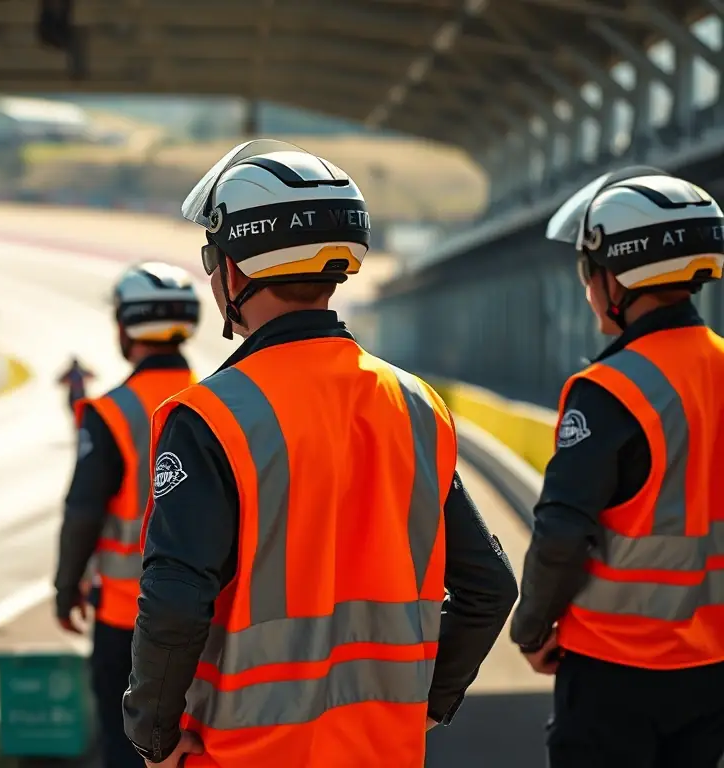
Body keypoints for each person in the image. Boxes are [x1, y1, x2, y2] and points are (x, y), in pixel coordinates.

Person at [122, 139, 519, 768]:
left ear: (237, 270)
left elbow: (175, 599)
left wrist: (154, 734)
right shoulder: (416, 405)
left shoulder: (211, 417)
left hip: (243, 753)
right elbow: (490, 586)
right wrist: (426, 706)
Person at [509, 167, 724, 768]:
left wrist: (531, 628)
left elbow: (562, 532)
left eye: (589, 270)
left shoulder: (612, 389)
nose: (586, 286)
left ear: (618, 279)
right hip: (710, 668)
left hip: (615, 665)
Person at [54, 261, 200, 768]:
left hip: (126, 611)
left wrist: (65, 586)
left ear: (127, 326)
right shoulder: (221, 401)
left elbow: (83, 511)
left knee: (126, 746)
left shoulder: (111, 412)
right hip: (209, 612)